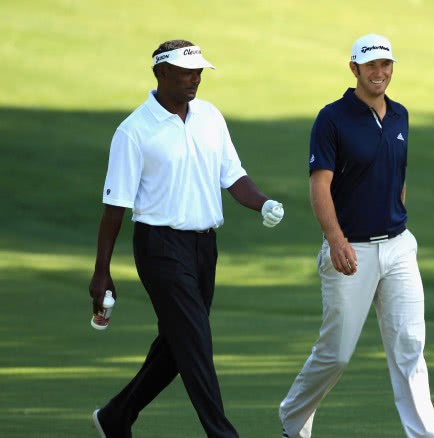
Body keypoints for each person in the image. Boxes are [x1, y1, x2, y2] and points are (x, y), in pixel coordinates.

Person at [89, 39, 285, 438]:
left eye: (198, 72)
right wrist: (101, 273)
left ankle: (116, 415)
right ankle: (222, 434)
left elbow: (233, 176)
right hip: (159, 247)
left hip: (204, 248)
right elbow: (114, 209)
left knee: (178, 345)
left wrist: (262, 203)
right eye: (185, 72)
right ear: (160, 73)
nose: (195, 79)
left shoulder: (210, 117)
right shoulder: (133, 131)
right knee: (195, 341)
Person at [278, 33, 434, 438]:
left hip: (399, 246)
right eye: (371, 65)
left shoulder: (400, 114)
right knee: (336, 354)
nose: (380, 72)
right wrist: (335, 239)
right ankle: (292, 421)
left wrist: (395, 215)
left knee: (409, 349)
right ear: (354, 68)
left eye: (386, 65)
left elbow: (397, 176)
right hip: (351, 249)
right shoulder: (332, 118)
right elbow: (320, 186)